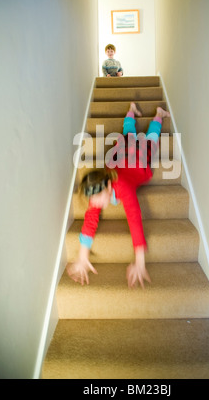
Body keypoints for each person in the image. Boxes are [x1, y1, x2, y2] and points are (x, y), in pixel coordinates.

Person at [66, 102, 170, 288]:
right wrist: (83, 256)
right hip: (121, 156)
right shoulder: (97, 189)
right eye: (94, 200)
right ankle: (131, 110)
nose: (96, 204)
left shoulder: (122, 187)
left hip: (135, 161)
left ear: (108, 185)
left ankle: (159, 115)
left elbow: (134, 217)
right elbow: (91, 218)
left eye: (99, 198)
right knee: (127, 136)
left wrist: (140, 262)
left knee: (150, 141)